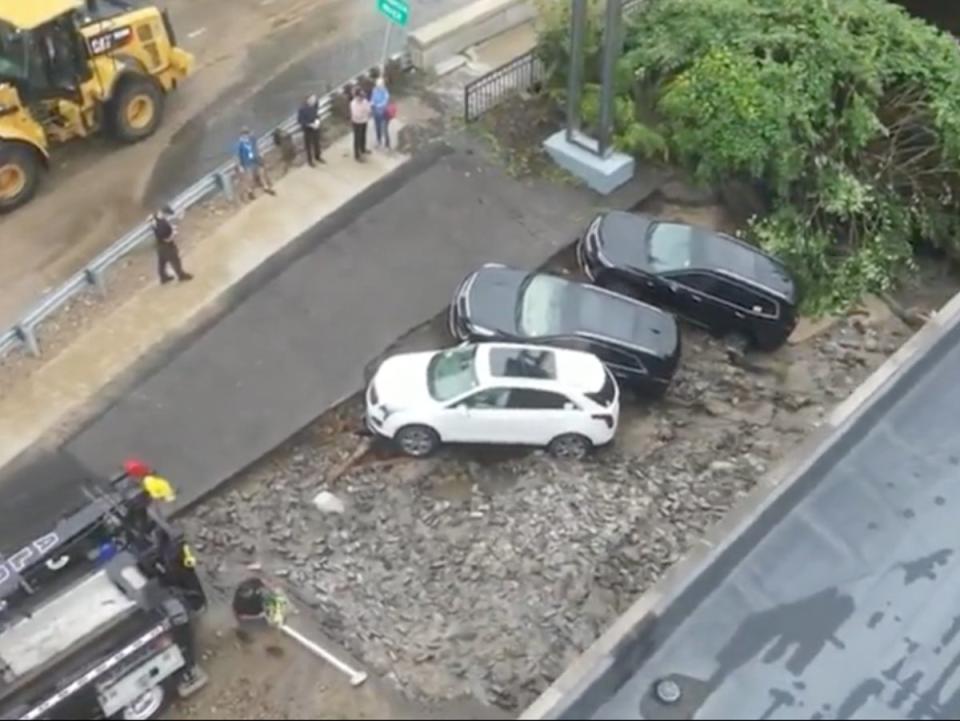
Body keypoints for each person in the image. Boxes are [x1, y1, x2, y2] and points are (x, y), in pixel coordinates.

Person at [151, 206, 192, 285]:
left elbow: (154, 225)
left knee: (162, 261)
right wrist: (174, 233)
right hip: (167, 246)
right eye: (167, 215)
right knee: (175, 259)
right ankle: (181, 275)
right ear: (164, 213)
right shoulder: (164, 225)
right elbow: (167, 239)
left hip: (159, 245)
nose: (168, 217)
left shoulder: (155, 218)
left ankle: (163, 277)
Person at [235, 127, 276, 200]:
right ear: (241, 135)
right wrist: (240, 166)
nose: (246, 135)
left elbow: (256, 146)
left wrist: (260, 153)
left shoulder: (252, 139)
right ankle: (250, 191)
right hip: (247, 162)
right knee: (250, 178)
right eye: (244, 134)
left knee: (262, 173)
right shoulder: (240, 144)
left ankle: (265, 186)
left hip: (256, 159)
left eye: (247, 133)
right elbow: (238, 156)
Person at [297, 94, 325, 166]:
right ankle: (310, 161)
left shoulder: (314, 107)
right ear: (308, 100)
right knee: (308, 146)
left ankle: (318, 156)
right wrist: (310, 125)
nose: (314, 100)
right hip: (307, 130)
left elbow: (317, 116)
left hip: (315, 128)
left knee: (317, 143)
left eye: (315, 99)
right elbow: (300, 121)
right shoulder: (302, 109)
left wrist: (317, 122)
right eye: (312, 99)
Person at [350, 87, 372, 161]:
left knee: (363, 136)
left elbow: (369, 110)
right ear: (356, 96)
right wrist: (364, 112)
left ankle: (363, 149)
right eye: (360, 97)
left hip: (364, 121)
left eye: (362, 97)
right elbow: (356, 114)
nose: (361, 99)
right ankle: (357, 155)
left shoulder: (364, 101)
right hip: (356, 123)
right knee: (357, 138)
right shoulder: (353, 103)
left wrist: (365, 113)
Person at [371, 77, 392, 150]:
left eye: (380, 86)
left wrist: (378, 105)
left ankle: (387, 145)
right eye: (377, 85)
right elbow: (372, 98)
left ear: (383, 85)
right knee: (377, 128)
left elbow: (385, 102)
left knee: (384, 129)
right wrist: (372, 103)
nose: (378, 87)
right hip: (376, 113)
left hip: (384, 114)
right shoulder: (374, 90)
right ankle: (378, 141)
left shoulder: (385, 92)